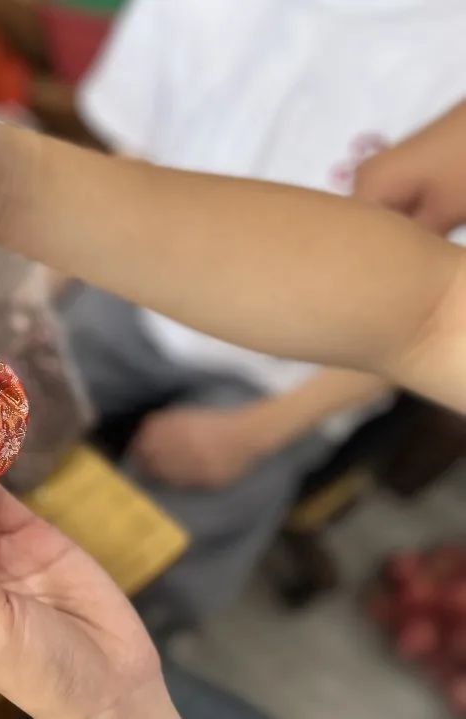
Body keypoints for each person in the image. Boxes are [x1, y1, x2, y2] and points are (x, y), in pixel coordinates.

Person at [0, 46, 466, 718]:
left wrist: (113, 702)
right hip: (139, 293)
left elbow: (428, 318)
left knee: (188, 528)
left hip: (283, 382)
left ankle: (157, 622)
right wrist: (5, 189)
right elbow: (429, 312)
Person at [53, 0, 466, 626]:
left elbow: (433, 319)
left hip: (297, 374)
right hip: (139, 286)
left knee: (154, 558)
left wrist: (255, 433)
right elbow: (128, 155)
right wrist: (34, 293)